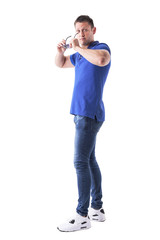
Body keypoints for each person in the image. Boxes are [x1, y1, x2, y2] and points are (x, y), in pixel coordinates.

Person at [55, 15, 111, 232]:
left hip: (89, 115)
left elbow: (101, 60)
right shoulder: (79, 55)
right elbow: (59, 64)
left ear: (93, 30)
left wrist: (77, 47)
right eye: (78, 31)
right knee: (90, 160)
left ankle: (82, 215)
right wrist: (60, 52)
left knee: (80, 162)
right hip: (81, 114)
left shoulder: (101, 48)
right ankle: (97, 208)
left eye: (85, 30)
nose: (81, 34)